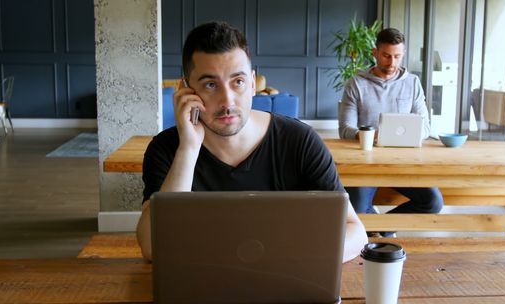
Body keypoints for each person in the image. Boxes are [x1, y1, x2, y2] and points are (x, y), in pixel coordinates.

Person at [136, 21, 368, 262]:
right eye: (210, 85)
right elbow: (153, 248)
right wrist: (189, 149)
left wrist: (283, 258)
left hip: (286, 284)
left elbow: (356, 232)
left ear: (253, 83)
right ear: (186, 90)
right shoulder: (166, 149)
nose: (228, 101)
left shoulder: (300, 141)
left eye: (238, 82)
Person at [338, 27, 443, 236]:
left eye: (397, 56)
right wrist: (373, 136)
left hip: (404, 164)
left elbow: (426, 128)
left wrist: (406, 135)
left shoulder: (413, 83)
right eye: (386, 56)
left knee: (433, 202)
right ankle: (375, 226)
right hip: (365, 165)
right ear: (375, 53)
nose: (392, 62)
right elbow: (345, 130)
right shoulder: (356, 84)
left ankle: (383, 230)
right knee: (355, 212)